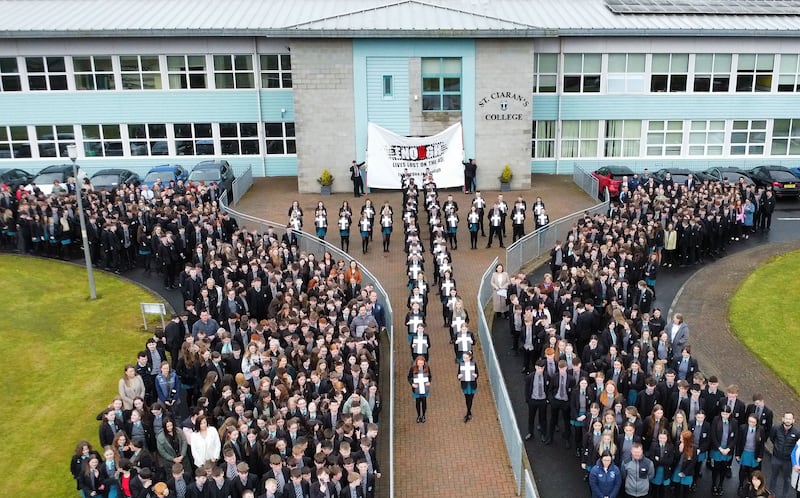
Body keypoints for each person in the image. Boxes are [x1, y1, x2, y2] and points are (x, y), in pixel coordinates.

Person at [770, 412, 800, 498]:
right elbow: (772, 438)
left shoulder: (797, 433)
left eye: (790, 419)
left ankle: (785, 495)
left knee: (787, 479)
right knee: (773, 476)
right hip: (776, 458)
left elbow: (797, 446)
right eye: (786, 418)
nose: (787, 421)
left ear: (793, 420)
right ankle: (771, 493)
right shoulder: (775, 428)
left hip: (788, 461)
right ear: (783, 419)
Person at [735, 414, 766, 492]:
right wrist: (737, 454)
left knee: (752, 471)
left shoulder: (761, 429)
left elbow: (762, 444)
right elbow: (738, 442)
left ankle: (750, 485)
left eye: (753, 422)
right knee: (743, 469)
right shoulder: (743, 428)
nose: (751, 423)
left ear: (757, 422)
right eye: (749, 421)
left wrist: (760, 456)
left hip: (754, 453)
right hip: (745, 452)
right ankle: (741, 484)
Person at [672, 430, 697, 498]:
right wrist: (679, 451)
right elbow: (675, 457)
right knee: (677, 486)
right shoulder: (678, 444)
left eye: (681, 438)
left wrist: (684, 473)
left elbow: (693, 462)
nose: (680, 439)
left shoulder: (694, 448)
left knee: (686, 488)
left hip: (687, 471)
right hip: (678, 468)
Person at [408, 356, 431, 423]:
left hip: (424, 388)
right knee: (417, 402)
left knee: (424, 402)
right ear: (417, 363)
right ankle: (418, 415)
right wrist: (412, 384)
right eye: (419, 363)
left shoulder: (427, 368)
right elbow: (409, 377)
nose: (420, 364)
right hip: (417, 389)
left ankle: (423, 415)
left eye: (422, 363)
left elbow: (430, 376)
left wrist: (429, 382)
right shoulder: (413, 368)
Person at [458, 351, 478, 423]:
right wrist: (459, 377)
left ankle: (468, 412)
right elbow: (459, 374)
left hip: (472, 384)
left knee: (471, 398)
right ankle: (468, 412)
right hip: (465, 384)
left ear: (470, 357)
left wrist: (475, 376)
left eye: (466, 358)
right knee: (467, 398)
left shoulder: (473, 364)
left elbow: (477, 373)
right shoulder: (461, 364)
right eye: (464, 357)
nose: (464, 359)